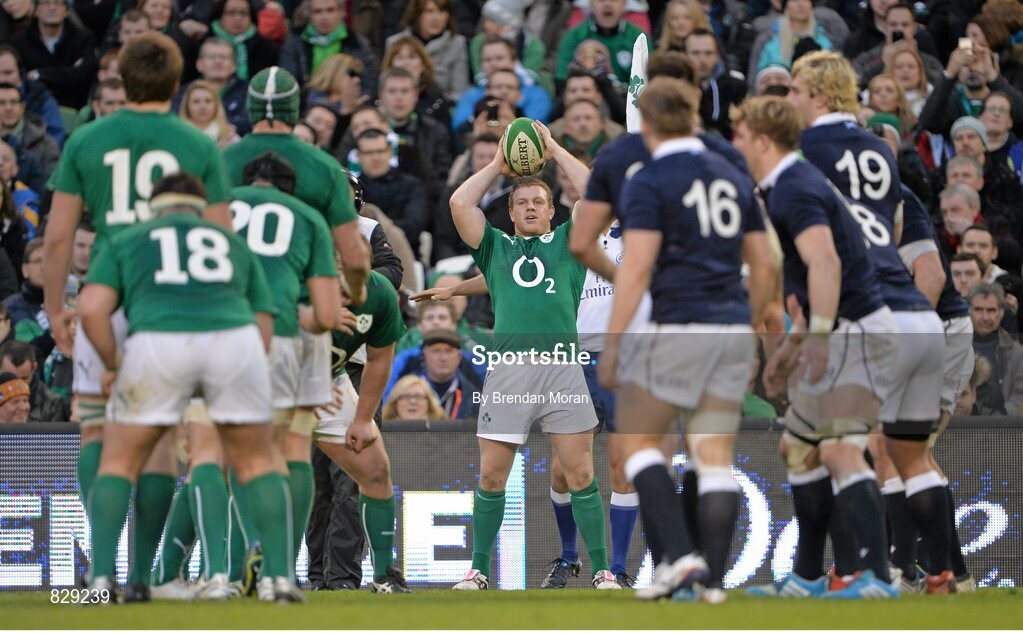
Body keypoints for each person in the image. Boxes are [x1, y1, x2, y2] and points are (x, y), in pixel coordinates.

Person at [42, 33, 234, 603]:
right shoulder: (197, 143)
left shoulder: (88, 139)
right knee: (155, 441)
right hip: (173, 295)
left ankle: (100, 573)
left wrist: (58, 306)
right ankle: (142, 578)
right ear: (178, 83)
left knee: (99, 429)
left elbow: (57, 236)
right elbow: (220, 234)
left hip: (106, 283)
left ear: (121, 81)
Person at [77, 171, 302, 603]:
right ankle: (280, 579)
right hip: (233, 341)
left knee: (120, 461)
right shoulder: (233, 243)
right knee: (258, 462)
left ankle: (102, 581)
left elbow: (91, 308)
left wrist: (112, 363)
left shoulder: (129, 239)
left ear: (154, 204)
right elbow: (264, 321)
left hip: (157, 341)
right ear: (201, 206)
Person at [598, 77, 773, 603]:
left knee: (636, 446)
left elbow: (637, 269)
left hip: (675, 325)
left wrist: (614, 340)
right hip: (729, 328)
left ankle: (680, 555)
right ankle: (712, 585)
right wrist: (749, 320)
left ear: (646, 124)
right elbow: (765, 263)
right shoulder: (730, 173)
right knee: (712, 457)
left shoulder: (649, 180)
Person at [789, 50, 953, 594]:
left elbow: (806, 244)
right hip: (915, 314)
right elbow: (895, 223)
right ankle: (949, 576)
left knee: (837, 447)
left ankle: (864, 572)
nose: (789, 99)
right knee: (909, 454)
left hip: (857, 312)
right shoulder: (880, 150)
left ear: (817, 93)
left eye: (795, 88)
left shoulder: (803, 152)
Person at [732, 96, 898, 599]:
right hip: (838, 326)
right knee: (798, 447)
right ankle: (806, 579)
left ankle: (877, 579)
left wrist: (819, 334)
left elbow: (826, 263)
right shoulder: (783, 187)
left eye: (742, 134)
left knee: (841, 448)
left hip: (856, 329)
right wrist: (791, 345)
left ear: (762, 140)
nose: (736, 142)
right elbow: (807, 276)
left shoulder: (795, 187)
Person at [445, 119, 618, 591]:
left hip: (563, 369)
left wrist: (556, 148)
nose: (530, 208)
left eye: (538, 201)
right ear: (511, 210)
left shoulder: (570, 243)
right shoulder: (495, 248)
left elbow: (599, 194)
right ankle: (479, 570)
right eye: (521, 202)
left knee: (580, 473)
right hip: (510, 372)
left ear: (551, 209)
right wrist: (497, 165)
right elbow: (460, 203)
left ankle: (602, 570)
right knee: (492, 475)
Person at [226, 151, 341, 596]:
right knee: (294, 449)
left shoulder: (220, 206)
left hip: (224, 333)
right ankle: (279, 570)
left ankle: (225, 572)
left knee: (230, 454)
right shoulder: (308, 218)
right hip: (293, 339)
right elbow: (328, 313)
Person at [223, 66, 369, 304]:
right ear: (294, 109)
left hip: (233, 302)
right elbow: (353, 254)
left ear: (250, 107)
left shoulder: (221, 161)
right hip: (300, 303)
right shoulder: (324, 166)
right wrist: (355, 291)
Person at [896, 184, 977, 592]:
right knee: (911, 453)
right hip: (926, 331)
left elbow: (932, 275)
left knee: (906, 451)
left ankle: (910, 571)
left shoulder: (897, 198)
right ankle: (951, 574)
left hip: (937, 330)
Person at [313, 266, 409, 593]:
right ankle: (224, 573)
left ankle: (384, 573)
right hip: (268, 378)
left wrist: (362, 420)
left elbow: (380, 358)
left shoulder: (380, 292)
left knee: (375, 468)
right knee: (229, 469)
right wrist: (309, 318)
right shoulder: (291, 279)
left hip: (328, 382)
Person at [10, 0, 97, 109]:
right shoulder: (18, 42)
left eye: (58, 3)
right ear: (36, 10)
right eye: (46, 3)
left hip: (74, 108)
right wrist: (68, 73)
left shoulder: (83, 39)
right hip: (33, 109)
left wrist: (40, 74)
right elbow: (21, 80)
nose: (52, 8)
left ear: (66, 10)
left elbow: (84, 76)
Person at [279, 0, 379, 93]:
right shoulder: (294, 44)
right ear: (309, 15)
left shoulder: (359, 44)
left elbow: (369, 83)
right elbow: (288, 81)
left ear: (342, 12)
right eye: (318, 11)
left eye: (330, 10)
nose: (324, 17)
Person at [356, 128, 428, 255]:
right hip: (360, 255)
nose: (376, 157)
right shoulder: (352, 189)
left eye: (380, 151)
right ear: (358, 156)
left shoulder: (412, 185)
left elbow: (414, 226)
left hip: (406, 255)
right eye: (368, 153)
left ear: (390, 152)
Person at [384, 0, 468, 102]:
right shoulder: (394, 43)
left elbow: (459, 92)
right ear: (417, 14)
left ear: (448, 16)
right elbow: (385, 83)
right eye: (429, 11)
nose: (436, 18)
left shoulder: (457, 44)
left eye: (441, 11)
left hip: (440, 107)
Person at [556, 0, 652, 88]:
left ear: (625, 4)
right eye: (601, 0)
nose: (607, 4)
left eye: (614, 0)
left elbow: (647, 82)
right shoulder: (574, 36)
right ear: (591, 5)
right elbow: (562, 81)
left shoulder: (639, 38)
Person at [969, 283, 1023, 416]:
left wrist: (997, 418)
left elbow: (1020, 397)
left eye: (991, 310)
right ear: (969, 311)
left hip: (1001, 427)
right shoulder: (954, 348)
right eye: (978, 309)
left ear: (1002, 313)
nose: (985, 317)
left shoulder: (1017, 353)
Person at [684, 28, 746, 139]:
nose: (702, 59)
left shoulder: (735, 88)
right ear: (684, 55)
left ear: (717, 56)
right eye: (695, 53)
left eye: (708, 53)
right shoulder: (674, 88)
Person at [0, 82, 59, 195]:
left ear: (22, 107)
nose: (8, 108)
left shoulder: (46, 144)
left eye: (14, 102)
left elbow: (49, 186)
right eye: (1, 103)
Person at [381, 36, 450, 132]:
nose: (406, 63)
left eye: (411, 57)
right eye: (400, 58)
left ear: (423, 66)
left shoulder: (436, 99)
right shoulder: (376, 98)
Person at [0, 44, 63, 146]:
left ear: (20, 73)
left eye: (8, 73)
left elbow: (54, 141)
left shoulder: (41, 98)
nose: (2, 79)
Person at [205, 0, 278, 82]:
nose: (238, 18)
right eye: (231, 13)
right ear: (220, 16)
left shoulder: (266, 47)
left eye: (244, 13)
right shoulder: (204, 42)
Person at [0, 338, 65, 420]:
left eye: (24, 379)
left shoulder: (52, 403)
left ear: (34, 368)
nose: (17, 385)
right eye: (10, 378)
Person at [179, 80, 239, 148]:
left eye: (208, 101)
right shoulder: (178, 135)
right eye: (196, 101)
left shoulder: (229, 135)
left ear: (216, 105)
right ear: (187, 106)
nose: (202, 106)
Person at [381, 374, 446, 420]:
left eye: (418, 397)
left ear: (429, 404)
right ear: (395, 403)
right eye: (406, 396)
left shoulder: (444, 434)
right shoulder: (379, 434)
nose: (412, 401)